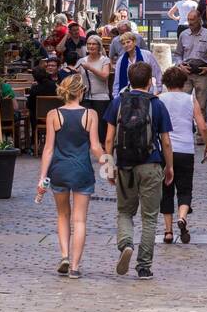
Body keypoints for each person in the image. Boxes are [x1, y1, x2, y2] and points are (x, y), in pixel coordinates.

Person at [103, 62, 174, 281]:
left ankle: (126, 244)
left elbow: (108, 139)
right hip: (151, 164)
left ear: (129, 80)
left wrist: (109, 166)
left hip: (125, 164)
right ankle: (144, 267)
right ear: (150, 80)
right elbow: (166, 141)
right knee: (150, 218)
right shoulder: (157, 104)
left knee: (125, 211)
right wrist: (169, 167)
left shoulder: (118, 103)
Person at [35, 75, 105, 278]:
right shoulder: (90, 114)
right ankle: (75, 266)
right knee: (80, 220)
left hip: (59, 171)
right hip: (82, 170)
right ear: (81, 91)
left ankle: (64, 255)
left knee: (62, 215)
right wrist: (108, 165)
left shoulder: (53, 115)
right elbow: (95, 146)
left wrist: (42, 177)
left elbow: (48, 149)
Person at [158, 66, 207, 245]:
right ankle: (182, 218)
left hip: (165, 150)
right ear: (183, 82)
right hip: (185, 150)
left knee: (166, 190)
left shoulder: (159, 99)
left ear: (166, 82)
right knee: (185, 188)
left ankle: (167, 232)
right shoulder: (190, 99)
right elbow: (202, 126)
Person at [173, 8, 207, 117]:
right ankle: (187, 130)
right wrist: (180, 65)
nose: (190, 23)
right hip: (186, 73)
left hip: (202, 74)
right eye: (188, 20)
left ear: (199, 20)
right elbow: (177, 54)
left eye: (192, 20)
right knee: (184, 104)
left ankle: (201, 133)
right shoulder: (183, 35)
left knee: (201, 105)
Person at [76, 35, 112, 144]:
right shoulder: (82, 60)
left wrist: (90, 68)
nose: (91, 46)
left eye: (94, 44)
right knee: (85, 121)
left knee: (101, 123)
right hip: (85, 96)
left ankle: (103, 146)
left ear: (99, 46)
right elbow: (76, 76)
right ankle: (86, 145)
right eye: (89, 44)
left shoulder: (105, 60)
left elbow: (105, 76)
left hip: (101, 96)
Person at [114, 31, 162, 95]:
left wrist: (158, 89)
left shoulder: (147, 55)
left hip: (147, 93)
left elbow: (157, 72)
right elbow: (117, 81)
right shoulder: (120, 61)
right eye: (123, 43)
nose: (126, 45)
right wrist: (116, 96)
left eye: (128, 42)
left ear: (134, 42)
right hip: (127, 95)